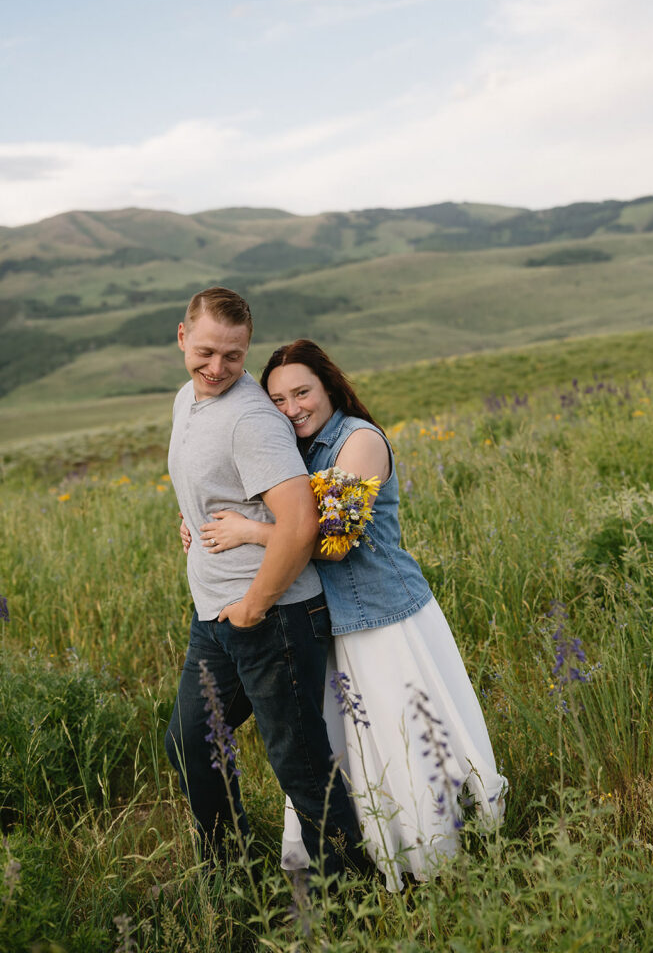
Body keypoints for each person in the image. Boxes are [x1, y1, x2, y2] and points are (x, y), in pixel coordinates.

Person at [181, 339, 507, 890]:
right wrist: (195, 522)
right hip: (330, 620)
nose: (292, 409)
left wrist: (249, 531)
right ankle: (367, 856)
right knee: (348, 749)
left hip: (384, 617)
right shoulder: (293, 447)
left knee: (405, 743)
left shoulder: (360, 442)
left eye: (302, 393)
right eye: (278, 399)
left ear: (329, 387)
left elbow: (333, 542)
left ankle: (433, 856)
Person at [164, 292, 368, 878]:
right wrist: (191, 514)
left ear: (247, 349)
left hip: (272, 614)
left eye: (233, 356)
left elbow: (302, 524)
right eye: (206, 352)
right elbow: (207, 476)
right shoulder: (187, 399)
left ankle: (351, 896)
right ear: (182, 337)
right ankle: (232, 876)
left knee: (300, 765)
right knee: (191, 744)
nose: (217, 368)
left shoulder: (251, 420)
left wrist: (255, 606)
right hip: (214, 615)